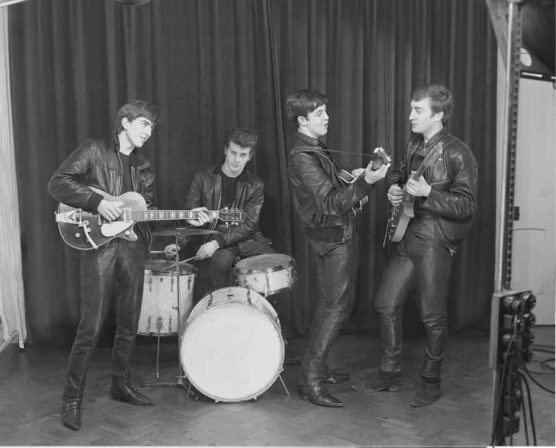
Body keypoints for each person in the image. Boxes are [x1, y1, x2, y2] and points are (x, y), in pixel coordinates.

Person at [47, 100, 159, 431]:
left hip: (131, 248)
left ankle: (120, 385)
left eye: (151, 128)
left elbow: (142, 213)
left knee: (129, 322)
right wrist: (97, 201)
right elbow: (58, 183)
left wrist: (191, 219)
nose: (147, 132)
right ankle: (71, 400)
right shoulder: (94, 151)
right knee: (91, 327)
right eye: (143, 124)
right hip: (98, 248)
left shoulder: (144, 168)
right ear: (124, 122)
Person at [373, 83, 478, 407]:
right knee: (385, 303)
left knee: (432, 315)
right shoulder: (413, 143)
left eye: (417, 110)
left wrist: (428, 194)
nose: (410, 116)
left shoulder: (458, 152)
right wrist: (394, 186)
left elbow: (467, 206)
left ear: (439, 114)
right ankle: (390, 373)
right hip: (409, 233)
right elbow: (402, 174)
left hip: (434, 240)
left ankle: (431, 382)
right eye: (411, 108)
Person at [285, 89, 389, 407]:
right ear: (302, 120)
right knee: (336, 308)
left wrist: (357, 175)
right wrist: (368, 181)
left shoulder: (315, 150)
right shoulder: (303, 157)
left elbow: (332, 186)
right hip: (333, 238)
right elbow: (331, 203)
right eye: (319, 113)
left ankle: (317, 369)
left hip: (328, 236)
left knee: (328, 306)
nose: (327, 117)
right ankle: (310, 380)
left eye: (325, 111)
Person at [184, 128, 276, 295]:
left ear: (250, 156)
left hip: (243, 241)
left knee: (274, 264)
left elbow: (250, 225)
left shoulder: (255, 185)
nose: (236, 160)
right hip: (210, 237)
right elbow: (189, 215)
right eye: (233, 153)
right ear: (225, 150)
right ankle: (217, 312)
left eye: (242, 155)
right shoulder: (202, 178)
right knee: (221, 263)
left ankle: (260, 315)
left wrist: (218, 242)